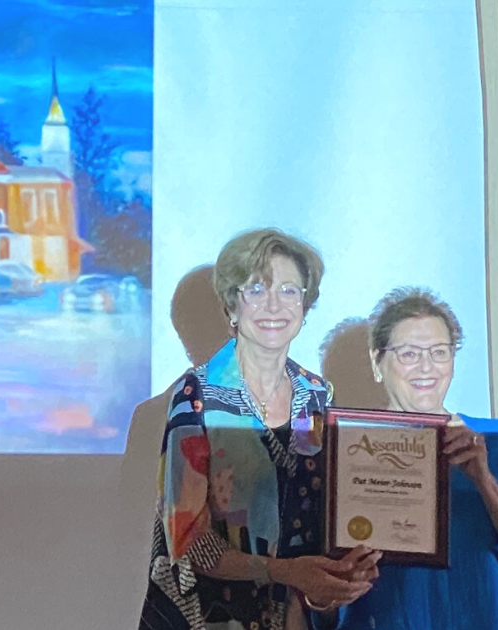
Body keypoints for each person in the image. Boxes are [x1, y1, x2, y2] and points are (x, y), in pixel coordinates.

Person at [140, 229, 380, 630]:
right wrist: (285, 571)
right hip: (210, 618)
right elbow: (188, 543)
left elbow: (316, 513)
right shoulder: (196, 395)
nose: (275, 305)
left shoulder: (316, 394)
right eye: (257, 289)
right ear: (231, 305)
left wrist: (342, 571)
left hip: (293, 617)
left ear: (306, 305)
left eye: (289, 290)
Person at [339, 287, 498, 629]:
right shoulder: (351, 450)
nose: (427, 367)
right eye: (410, 353)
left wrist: (485, 482)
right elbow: (331, 594)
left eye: (440, 352)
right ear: (377, 361)